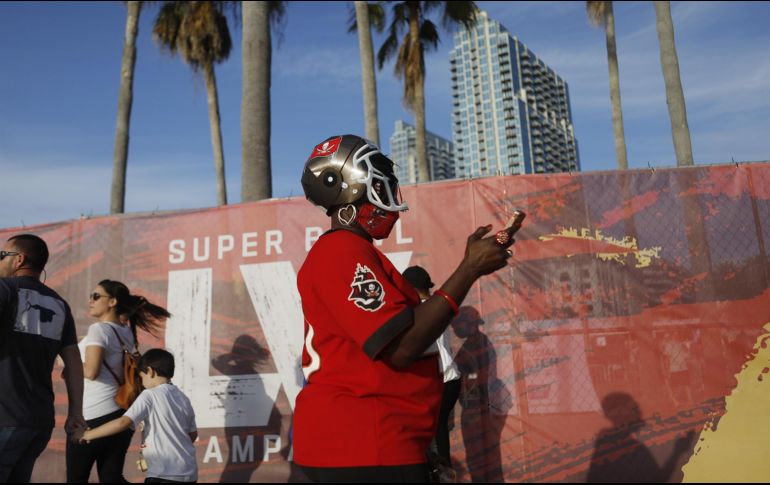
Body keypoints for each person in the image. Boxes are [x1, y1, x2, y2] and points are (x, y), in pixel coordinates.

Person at [292, 135, 518, 483]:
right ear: (348, 188)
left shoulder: (352, 251)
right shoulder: (341, 251)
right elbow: (401, 347)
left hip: (371, 443)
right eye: (378, 181)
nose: (389, 193)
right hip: (363, 446)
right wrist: (468, 269)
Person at [0, 234, 85, 483]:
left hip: (5, 417)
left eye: (2, 256)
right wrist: (75, 412)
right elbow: (73, 364)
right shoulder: (59, 304)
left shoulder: (4, 289)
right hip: (38, 421)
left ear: (19, 259)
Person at [67, 280, 171, 483]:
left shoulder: (99, 330)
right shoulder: (124, 331)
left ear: (112, 301)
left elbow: (91, 371)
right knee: (111, 477)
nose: (90, 300)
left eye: (96, 296)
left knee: (77, 478)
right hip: (121, 414)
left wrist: (65, 360)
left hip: (93, 415)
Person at [79, 348, 198, 484]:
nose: (142, 383)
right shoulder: (183, 398)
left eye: (142, 377)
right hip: (189, 473)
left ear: (151, 372)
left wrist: (87, 435)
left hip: (163, 474)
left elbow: (123, 422)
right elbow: (192, 435)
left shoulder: (150, 395)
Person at [401, 266, 462, 469]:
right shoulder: (437, 306)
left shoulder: (421, 310)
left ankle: (441, 472)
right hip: (449, 378)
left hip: (440, 379)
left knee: (431, 434)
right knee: (437, 431)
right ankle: (443, 472)